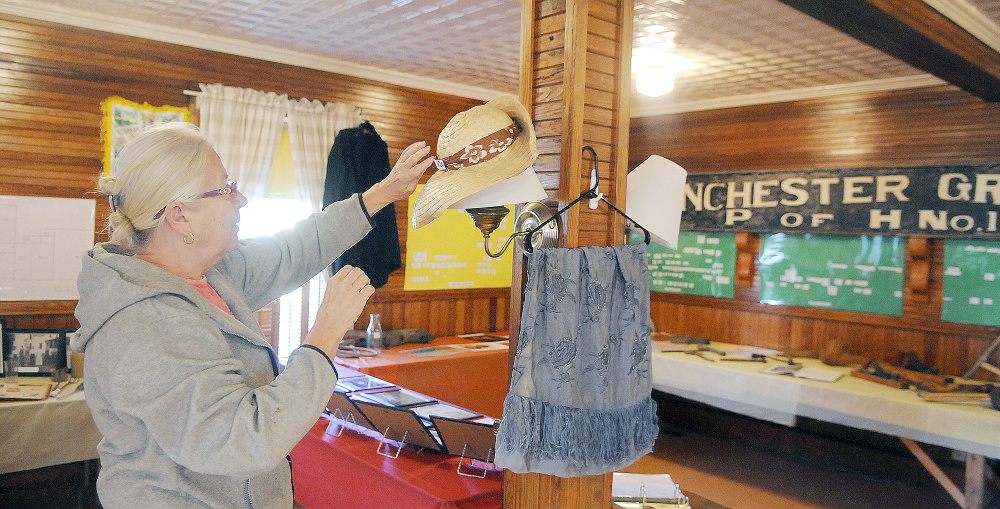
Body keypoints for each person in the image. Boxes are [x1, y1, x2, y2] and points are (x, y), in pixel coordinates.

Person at [71, 121, 433, 508]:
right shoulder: (147, 321)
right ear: (179, 216)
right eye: (225, 188)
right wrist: (327, 330)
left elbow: (295, 248)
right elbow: (242, 442)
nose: (240, 198)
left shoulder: (213, 272)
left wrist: (382, 194)